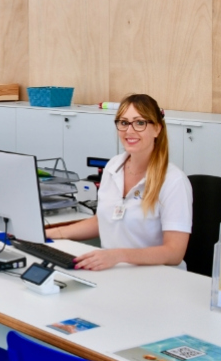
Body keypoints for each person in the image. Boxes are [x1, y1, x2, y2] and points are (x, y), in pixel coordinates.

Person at [46, 94, 192, 270]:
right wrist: (53, 233)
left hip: (158, 278)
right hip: (115, 272)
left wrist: (118, 255)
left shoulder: (173, 181)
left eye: (140, 123)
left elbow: (174, 252)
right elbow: (104, 220)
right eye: (123, 123)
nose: (129, 131)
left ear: (157, 129)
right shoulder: (113, 167)